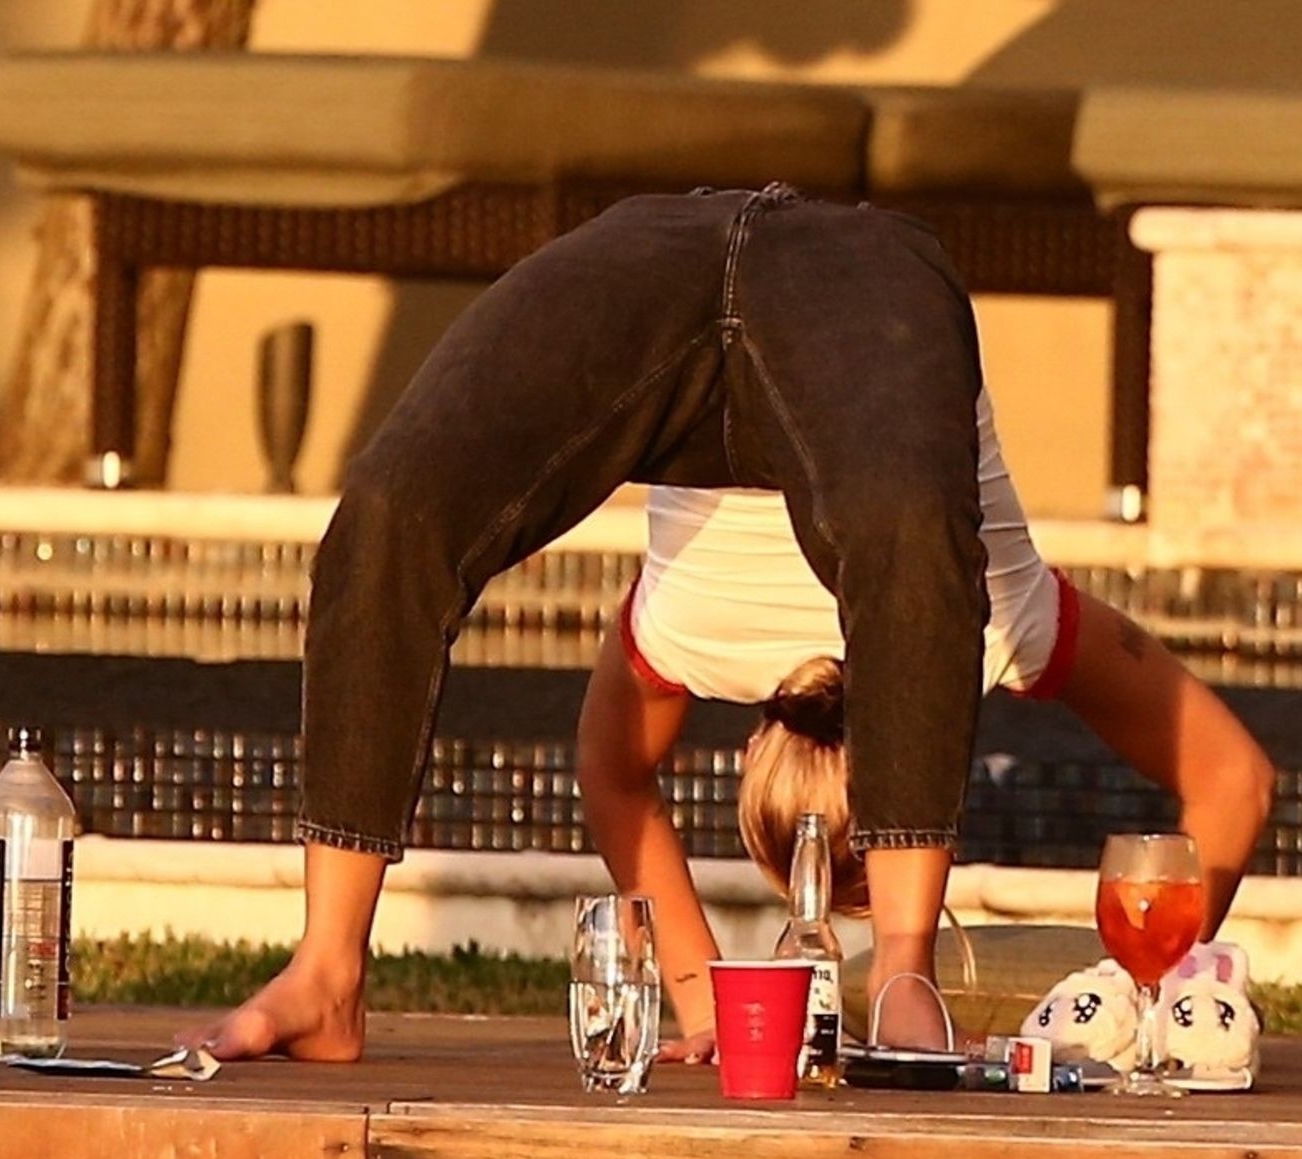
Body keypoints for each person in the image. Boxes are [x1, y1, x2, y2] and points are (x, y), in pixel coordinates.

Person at [187, 183, 1013, 1061]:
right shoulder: (1013, 628)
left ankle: (901, 971)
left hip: (844, 267)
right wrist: (708, 1006)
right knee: (390, 512)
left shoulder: (686, 641)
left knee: (909, 523)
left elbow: (613, 772)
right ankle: (326, 974)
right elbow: (615, 772)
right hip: (689, 247)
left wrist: (712, 1005)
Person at [577, 391, 1274, 1063]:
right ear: (755, 747)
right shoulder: (683, 632)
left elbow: (1236, 782)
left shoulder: (998, 624)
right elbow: (611, 778)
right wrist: (705, 1002)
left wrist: (1134, 996)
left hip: (900, 332)